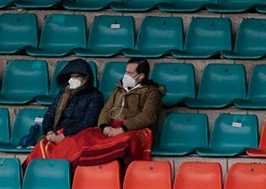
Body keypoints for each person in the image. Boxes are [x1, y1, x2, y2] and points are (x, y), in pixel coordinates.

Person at [31, 58, 164, 169]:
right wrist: (104, 126)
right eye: (125, 72)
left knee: (122, 144)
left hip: (132, 129)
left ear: (141, 76)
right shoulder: (118, 89)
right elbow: (106, 110)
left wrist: (122, 129)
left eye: (130, 73)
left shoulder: (152, 93)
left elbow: (148, 116)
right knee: (86, 136)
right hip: (112, 128)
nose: (126, 76)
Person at [23, 59, 104, 167]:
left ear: (85, 78)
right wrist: (49, 131)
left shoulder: (95, 96)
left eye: (76, 77)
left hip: (77, 134)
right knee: (43, 145)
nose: (72, 80)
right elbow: (50, 113)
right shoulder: (63, 93)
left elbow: (89, 121)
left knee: (62, 150)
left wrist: (64, 134)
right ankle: (32, 176)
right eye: (71, 76)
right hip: (58, 132)